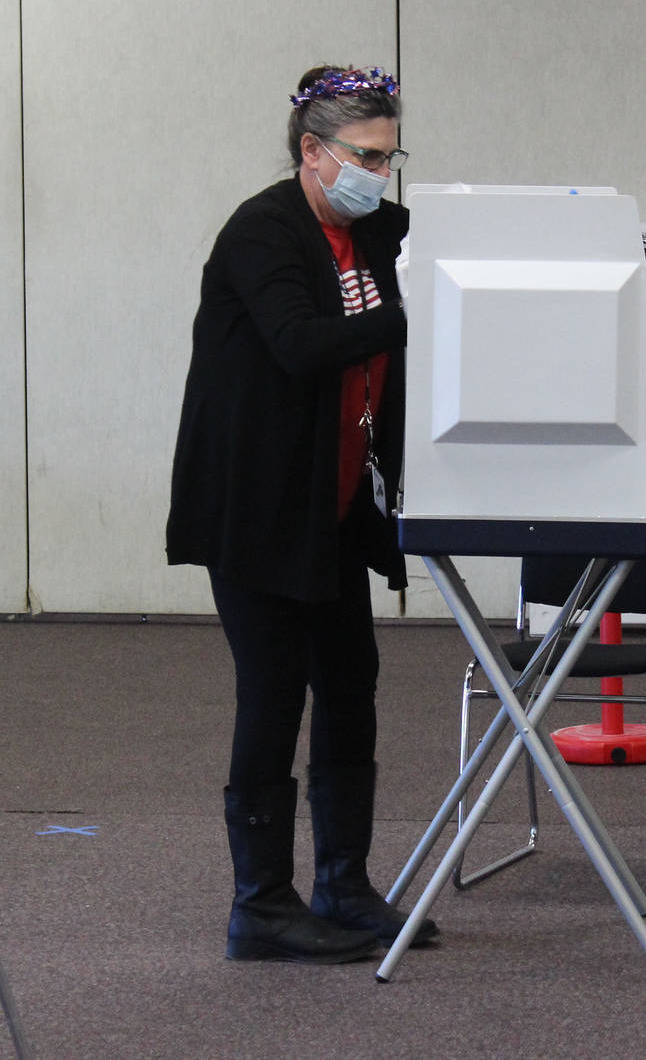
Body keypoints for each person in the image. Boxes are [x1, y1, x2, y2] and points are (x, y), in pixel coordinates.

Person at [166, 65, 439, 963]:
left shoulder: (372, 234)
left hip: (333, 502)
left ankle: (344, 883)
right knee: (274, 691)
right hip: (257, 506)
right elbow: (297, 343)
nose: (380, 173)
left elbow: (411, 263)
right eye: (366, 155)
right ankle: (262, 904)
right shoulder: (263, 231)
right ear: (311, 152)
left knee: (351, 680)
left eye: (391, 155)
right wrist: (413, 318)